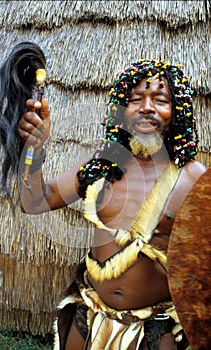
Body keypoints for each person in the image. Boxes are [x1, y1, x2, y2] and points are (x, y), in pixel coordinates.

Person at [17, 59, 206, 349]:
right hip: (90, 319)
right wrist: (34, 147)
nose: (146, 107)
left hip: (155, 330)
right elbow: (35, 201)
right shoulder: (101, 166)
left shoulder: (194, 179)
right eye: (135, 100)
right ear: (122, 110)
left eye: (160, 99)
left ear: (176, 111)